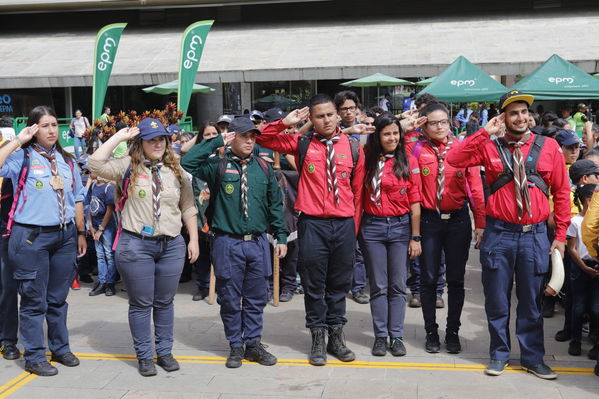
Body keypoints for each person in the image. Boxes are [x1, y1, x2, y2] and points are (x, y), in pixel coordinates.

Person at [447, 91, 570, 380]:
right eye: (513, 113)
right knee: (497, 301)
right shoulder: (488, 147)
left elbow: (562, 192)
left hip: (534, 236)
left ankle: (532, 358)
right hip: (499, 234)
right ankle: (499, 354)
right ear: (503, 117)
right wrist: (483, 132)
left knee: (530, 302)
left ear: (530, 115)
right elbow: (454, 158)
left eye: (523, 112)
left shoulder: (549, 146)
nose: (520, 117)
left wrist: (561, 234)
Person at [256, 95, 365, 366]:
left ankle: (336, 337)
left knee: (339, 284)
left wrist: (353, 228)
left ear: (338, 116)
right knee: (314, 283)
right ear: (311, 120)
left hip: (343, 224)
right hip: (313, 224)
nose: (326, 120)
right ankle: (317, 337)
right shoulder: (302, 143)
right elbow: (261, 139)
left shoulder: (353, 147)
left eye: (330, 114)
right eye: (319, 116)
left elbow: (359, 191)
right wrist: (284, 123)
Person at [88, 118, 199, 377]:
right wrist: (118, 137)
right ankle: (144, 355)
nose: (158, 143)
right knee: (141, 303)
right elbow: (94, 163)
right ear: (141, 143)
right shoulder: (127, 166)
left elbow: (188, 206)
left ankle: (165, 351)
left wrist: (192, 238)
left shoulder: (176, 169)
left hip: (171, 244)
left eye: (161, 138)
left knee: (164, 302)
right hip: (136, 245)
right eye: (151, 139)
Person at [181, 117, 288, 368]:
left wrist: (281, 236)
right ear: (233, 137)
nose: (250, 141)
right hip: (227, 243)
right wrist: (217, 141)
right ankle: (235, 345)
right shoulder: (217, 165)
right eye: (244, 136)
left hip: (257, 242)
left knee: (256, 297)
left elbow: (275, 204)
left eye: (253, 136)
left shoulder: (263, 167)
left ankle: (253, 344)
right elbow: (188, 162)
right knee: (229, 298)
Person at [0, 105, 87, 376]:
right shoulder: (21, 157)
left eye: (54, 125)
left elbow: (77, 198)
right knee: (33, 299)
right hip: (31, 238)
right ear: (34, 129)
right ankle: (35, 356)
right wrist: (18, 140)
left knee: (57, 298)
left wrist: (81, 232)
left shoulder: (67, 160)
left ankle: (60, 348)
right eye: (45, 125)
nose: (51, 130)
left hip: (64, 236)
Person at [407, 102, 485, 355]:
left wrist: (480, 223)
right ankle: (431, 331)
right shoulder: (417, 149)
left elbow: (475, 188)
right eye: (432, 123)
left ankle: (452, 331)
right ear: (424, 125)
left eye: (443, 121)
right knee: (428, 279)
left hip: (458, 221)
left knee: (455, 279)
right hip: (429, 221)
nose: (439, 127)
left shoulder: (464, 150)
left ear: (450, 122)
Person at [360, 113, 422, 357]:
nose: (392, 137)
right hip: (372, 228)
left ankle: (396, 336)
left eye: (396, 133)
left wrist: (415, 237)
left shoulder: (408, 160)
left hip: (400, 228)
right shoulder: (366, 159)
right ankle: (379, 336)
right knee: (378, 285)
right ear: (377, 135)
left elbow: (415, 201)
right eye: (386, 133)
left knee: (397, 285)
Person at [333, 90, 369, 304]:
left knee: (360, 246)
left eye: (351, 108)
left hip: (365, 193)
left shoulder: (366, 133)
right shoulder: (333, 134)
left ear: (357, 109)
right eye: (343, 108)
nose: (348, 112)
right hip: (341, 194)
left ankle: (358, 287)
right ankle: (340, 285)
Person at [567, 183, 599, 358]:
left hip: (595, 268)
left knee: (595, 308)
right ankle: (575, 340)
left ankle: (595, 341)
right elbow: (572, 248)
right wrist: (584, 267)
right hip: (581, 267)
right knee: (578, 307)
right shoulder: (575, 222)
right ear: (589, 200)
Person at [86, 174, 117, 296]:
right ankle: (102, 281)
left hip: (106, 224)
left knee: (109, 254)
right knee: (100, 254)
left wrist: (101, 229)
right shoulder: (93, 185)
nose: (90, 173)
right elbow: (90, 206)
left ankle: (110, 283)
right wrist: (91, 225)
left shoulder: (108, 188)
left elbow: (109, 210)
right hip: (95, 222)